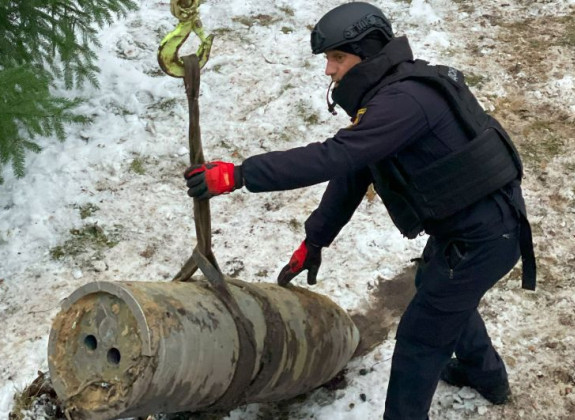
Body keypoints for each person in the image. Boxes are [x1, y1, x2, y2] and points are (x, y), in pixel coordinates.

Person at [183, 2, 536, 419]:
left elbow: (332, 158)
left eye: (337, 58)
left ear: (366, 55)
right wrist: (315, 239)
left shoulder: (404, 101)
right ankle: (485, 375)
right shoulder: (391, 95)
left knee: (421, 341)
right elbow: (354, 172)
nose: (329, 70)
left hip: (484, 236)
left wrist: (240, 174)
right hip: (473, 229)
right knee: (438, 290)